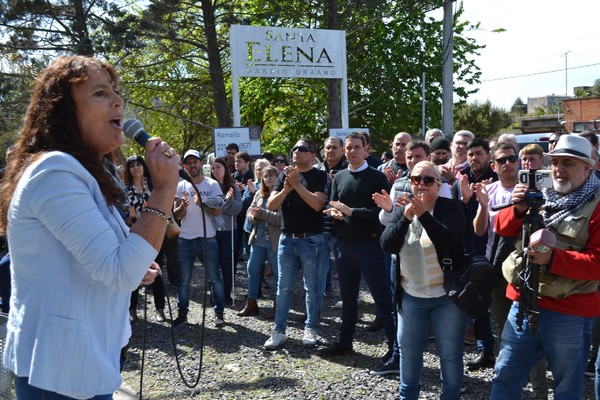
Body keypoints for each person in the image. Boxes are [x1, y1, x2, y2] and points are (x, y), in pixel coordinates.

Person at [0, 55, 178, 399]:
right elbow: (118, 272)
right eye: (100, 93)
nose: (118, 101)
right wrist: (164, 189)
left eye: (116, 91)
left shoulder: (90, 173)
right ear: (64, 111)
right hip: (56, 373)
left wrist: (136, 261)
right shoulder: (54, 172)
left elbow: (107, 260)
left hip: (86, 362)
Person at [491, 134, 600, 399]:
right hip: (523, 305)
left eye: (569, 163)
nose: (560, 169)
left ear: (588, 168)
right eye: (556, 163)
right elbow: (502, 228)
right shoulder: (538, 195)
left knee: (566, 387)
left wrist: (553, 259)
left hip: (569, 312)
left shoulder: (596, 206)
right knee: (504, 377)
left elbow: (597, 264)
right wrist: (517, 209)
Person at [381, 161, 468, 400]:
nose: (421, 184)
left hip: (446, 297)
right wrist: (407, 216)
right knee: (409, 353)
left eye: (428, 180)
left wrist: (422, 215)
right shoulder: (403, 209)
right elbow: (387, 244)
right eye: (416, 179)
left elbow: (448, 239)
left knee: (450, 354)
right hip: (411, 295)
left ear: (439, 184)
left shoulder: (450, 208)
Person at [319, 133, 395, 369]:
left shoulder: (377, 177)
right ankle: (345, 341)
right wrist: (335, 213)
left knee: (383, 300)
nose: (352, 151)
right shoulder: (339, 176)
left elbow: (382, 215)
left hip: (370, 246)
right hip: (344, 247)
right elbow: (333, 204)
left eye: (356, 148)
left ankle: (396, 349)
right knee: (348, 298)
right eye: (348, 148)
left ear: (366, 150)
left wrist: (351, 212)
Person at [263, 138, 327, 350]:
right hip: (287, 240)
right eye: (294, 149)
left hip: (311, 239)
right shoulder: (283, 177)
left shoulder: (320, 176)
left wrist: (297, 185)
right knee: (283, 287)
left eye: (302, 149)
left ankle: (311, 327)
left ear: (312, 154)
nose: (297, 152)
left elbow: (317, 204)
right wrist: (286, 189)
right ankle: (279, 331)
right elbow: (271, 205)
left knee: (312, 287)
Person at [173, 149, 225, 328]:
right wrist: (183, 208)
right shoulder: (181, 186)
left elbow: (218, 210)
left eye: (195, 162)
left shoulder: (212, 185)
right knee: (184, 280)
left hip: (207, 239)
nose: (193, 165)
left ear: (202, 163)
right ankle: (182, 314)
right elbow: (176, 215)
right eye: (189, 163)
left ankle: (219, 313)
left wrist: (201, 204)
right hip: (185, 240)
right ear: (185, 166)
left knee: (214, 278)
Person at [124, 155, 167, 323]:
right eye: (132, 165)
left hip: (154, 234)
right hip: (132, 234)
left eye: (138, 164)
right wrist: (131, 216)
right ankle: (132, 310)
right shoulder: (124, 189)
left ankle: (159, 309)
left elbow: (163, 208)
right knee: (133, 272)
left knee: (157, 271)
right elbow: (121, 214)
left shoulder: (154, 187)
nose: (136, 168)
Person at [238, 166, 282, 317]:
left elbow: (282, 219)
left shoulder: (282, 195)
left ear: (278, 177)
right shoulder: (258, 194)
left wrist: (263, 214)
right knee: (252, 271)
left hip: (275, 242)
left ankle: (278, 306)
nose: (268, 178)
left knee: (278, 275)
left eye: (271, 175)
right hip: (258, 240)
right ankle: (251, 303)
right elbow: (249, 212)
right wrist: (255, 216)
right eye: (265, 176)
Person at [211, 157, 242, 305]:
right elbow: (209, 209)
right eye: (213, 168)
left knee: (228, 264)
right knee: (213, 264)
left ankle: (227, 294)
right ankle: (215, 295)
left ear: (225, 169)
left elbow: (237, 209)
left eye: (218, 167)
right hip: (212, 231)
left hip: (229, 230)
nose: (215, 170)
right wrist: (224, 202)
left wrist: (228, 201)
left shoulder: (233, 187)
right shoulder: (209, 186)